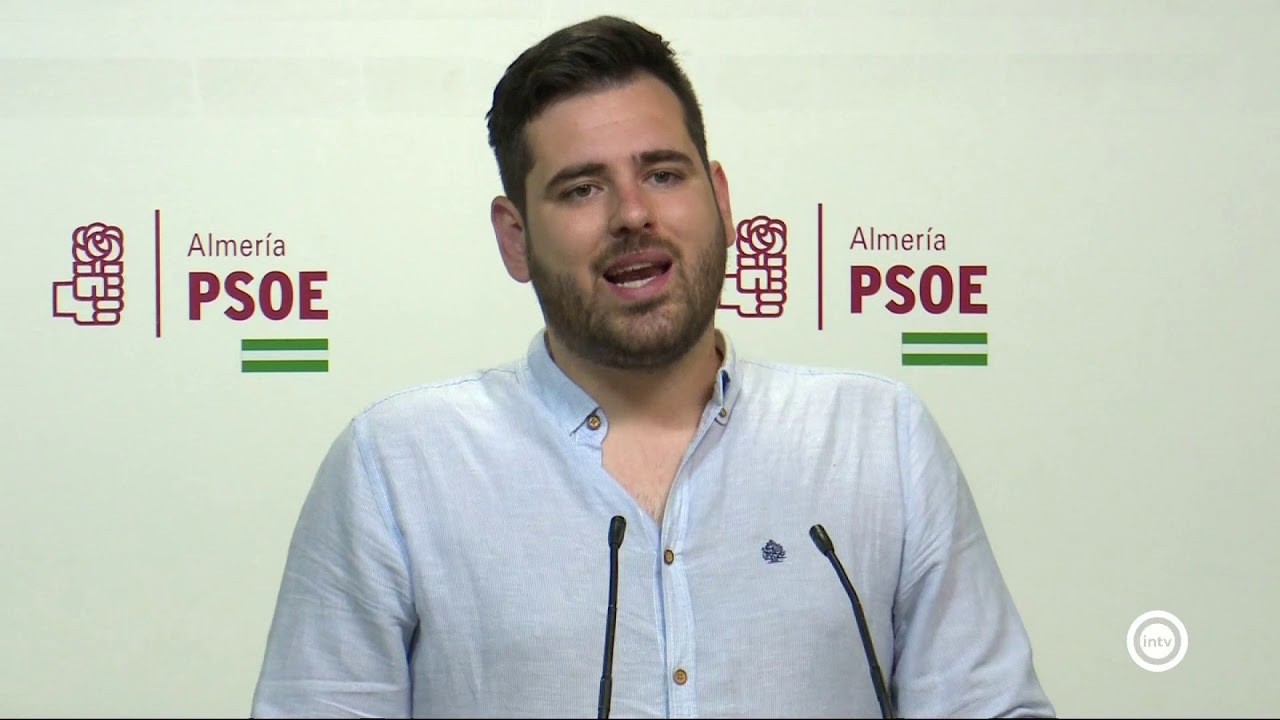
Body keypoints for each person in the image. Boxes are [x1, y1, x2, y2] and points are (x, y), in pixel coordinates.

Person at [250, 14, 1056, 719]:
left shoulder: (878, 439)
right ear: (515, 237)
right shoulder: (398, 466)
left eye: (663, 175)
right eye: (581, 189)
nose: (633, 214)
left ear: (720, 199)